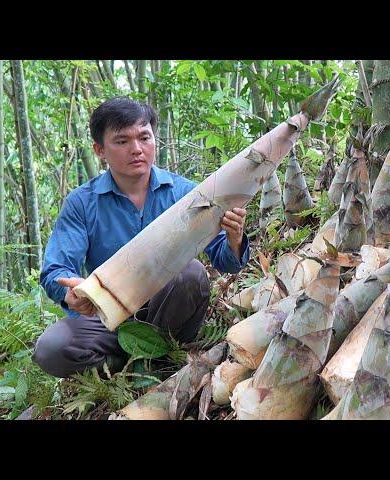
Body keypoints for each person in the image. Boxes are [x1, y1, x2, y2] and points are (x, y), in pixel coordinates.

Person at [33, 96, 250, 378]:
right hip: (110, 316)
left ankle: (156, 362)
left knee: (191, 273)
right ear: (100, 149)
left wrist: (234, 238)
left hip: (171, 310)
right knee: (51, 348)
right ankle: (125, 364)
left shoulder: (184, 193)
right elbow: (56, 269)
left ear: (154, 140)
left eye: (144, 137)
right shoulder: (82, 202)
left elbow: (226, 261)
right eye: (122, 141)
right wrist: (71, 292)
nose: (137, 149)